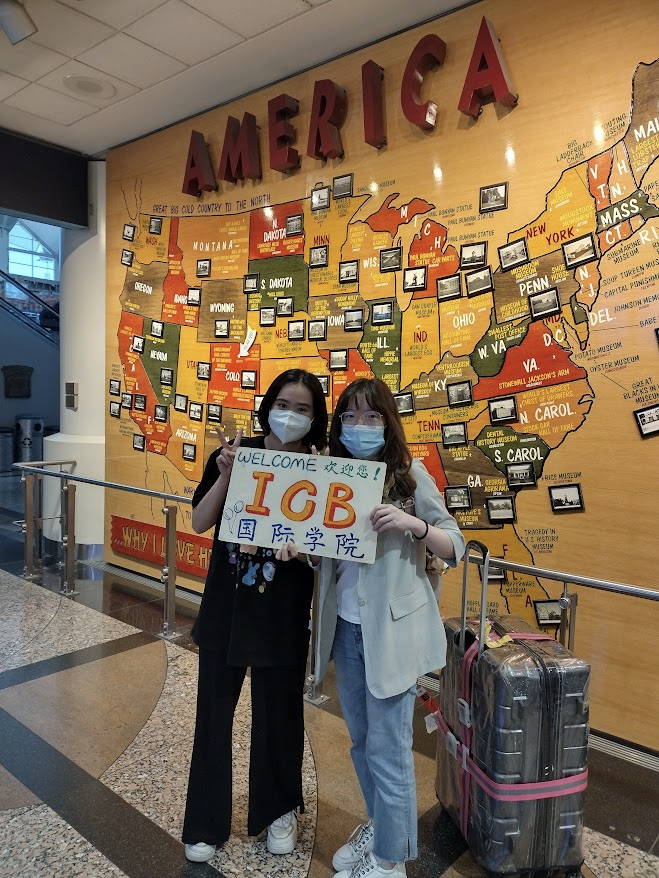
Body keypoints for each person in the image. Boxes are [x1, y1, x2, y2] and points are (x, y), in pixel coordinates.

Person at [313, 377, 466, 878]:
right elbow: (326, 556)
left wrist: (412, 526)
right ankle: (381, 833)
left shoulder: (408, 475)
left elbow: (455, 544)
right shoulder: (329, 478)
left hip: (392, 634)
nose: (361, 426)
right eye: (351, 417)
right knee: (361, 741)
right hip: (347, 631)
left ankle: (390, 860)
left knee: (391, 749)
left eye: (372, 416)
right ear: (339, 425)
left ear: (388, 422)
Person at [182, 368, 328, 863]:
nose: (292, 415)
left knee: (280, 717)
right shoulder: (232, 454)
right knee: (214, 716)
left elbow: (326, 552)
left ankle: (278, 812)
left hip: (284, 612)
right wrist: (226, 473)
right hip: (228, 606)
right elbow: (201, 521)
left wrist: (304, 551)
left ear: (316, 418)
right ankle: (204, 822)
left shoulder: (321, 470)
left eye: (304, 408)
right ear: (268, 406)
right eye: (285, 404)